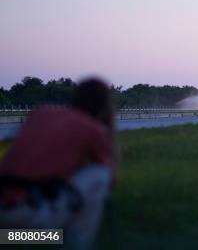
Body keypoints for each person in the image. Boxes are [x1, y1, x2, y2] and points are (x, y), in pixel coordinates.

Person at [0, 78, 117, 248]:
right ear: (104, 105)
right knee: (100, 175)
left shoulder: (41, 112)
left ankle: (16, 239)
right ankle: (74, 242)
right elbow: (112, 179)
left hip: (4, 212)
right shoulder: (92, 128)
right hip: (28, 220)